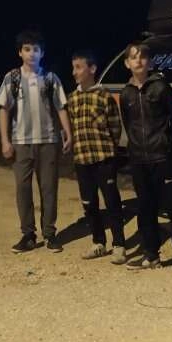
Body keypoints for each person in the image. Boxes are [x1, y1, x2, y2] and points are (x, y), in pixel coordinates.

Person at [0, 29, 72, 253]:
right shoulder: (12, 78)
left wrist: (68, 133)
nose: (32, 54)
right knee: (23, 189)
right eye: (27, 49)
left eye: (36, 49)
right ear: (20, 52)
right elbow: (4, 109)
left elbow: (61, 107)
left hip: (48, 141)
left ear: (42, 53)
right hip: (21, 143)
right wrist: (5, 141)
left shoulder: (50, 79)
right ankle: (28, 235)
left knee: (49, 189)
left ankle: (50, 234)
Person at [120, 43, 172, 271]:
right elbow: (128, 123)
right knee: (145, 206)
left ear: (150, 62)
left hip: (163, 156)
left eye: (142, 57)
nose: (138, 61)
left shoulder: (161, 87)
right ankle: (151, 253)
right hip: (139, 158)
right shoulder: (126, 93)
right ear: (127, 63)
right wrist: (133, 149)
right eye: (133, 57)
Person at [68, 50, 127, 264]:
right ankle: (98, 242)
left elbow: (115, 126)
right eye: (73, 68)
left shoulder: (104, 96)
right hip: (82, 159)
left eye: (79, 67)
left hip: (103, 158)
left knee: (111, 201)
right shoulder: (72, 98)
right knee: (89, 203)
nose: (74, 72)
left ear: (92, 69)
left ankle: (119, 244)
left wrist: (110, 150)